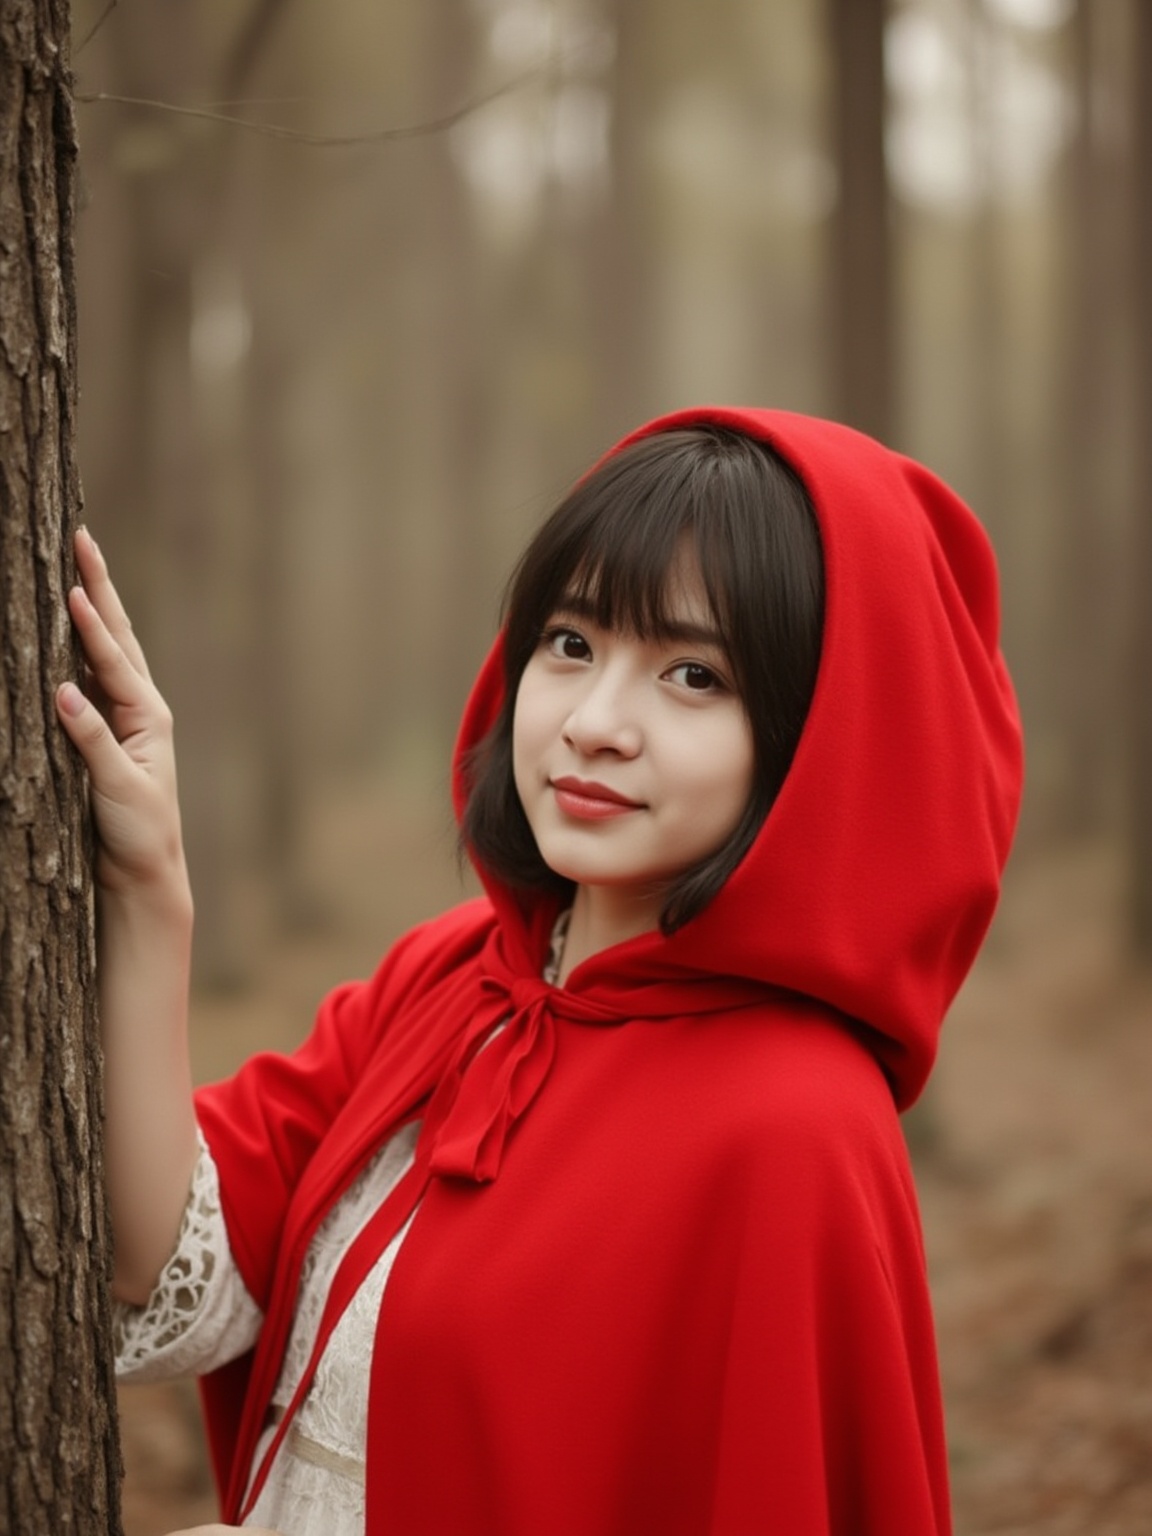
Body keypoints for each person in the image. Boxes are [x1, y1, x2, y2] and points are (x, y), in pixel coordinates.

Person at [56, 406, 1023, 1536]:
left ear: (817, 739)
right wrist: (151, 896)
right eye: (572, 643)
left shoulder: (794, 1127)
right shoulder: (452, 980)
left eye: (695, 676)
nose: (596, 722)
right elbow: (155, 1264)